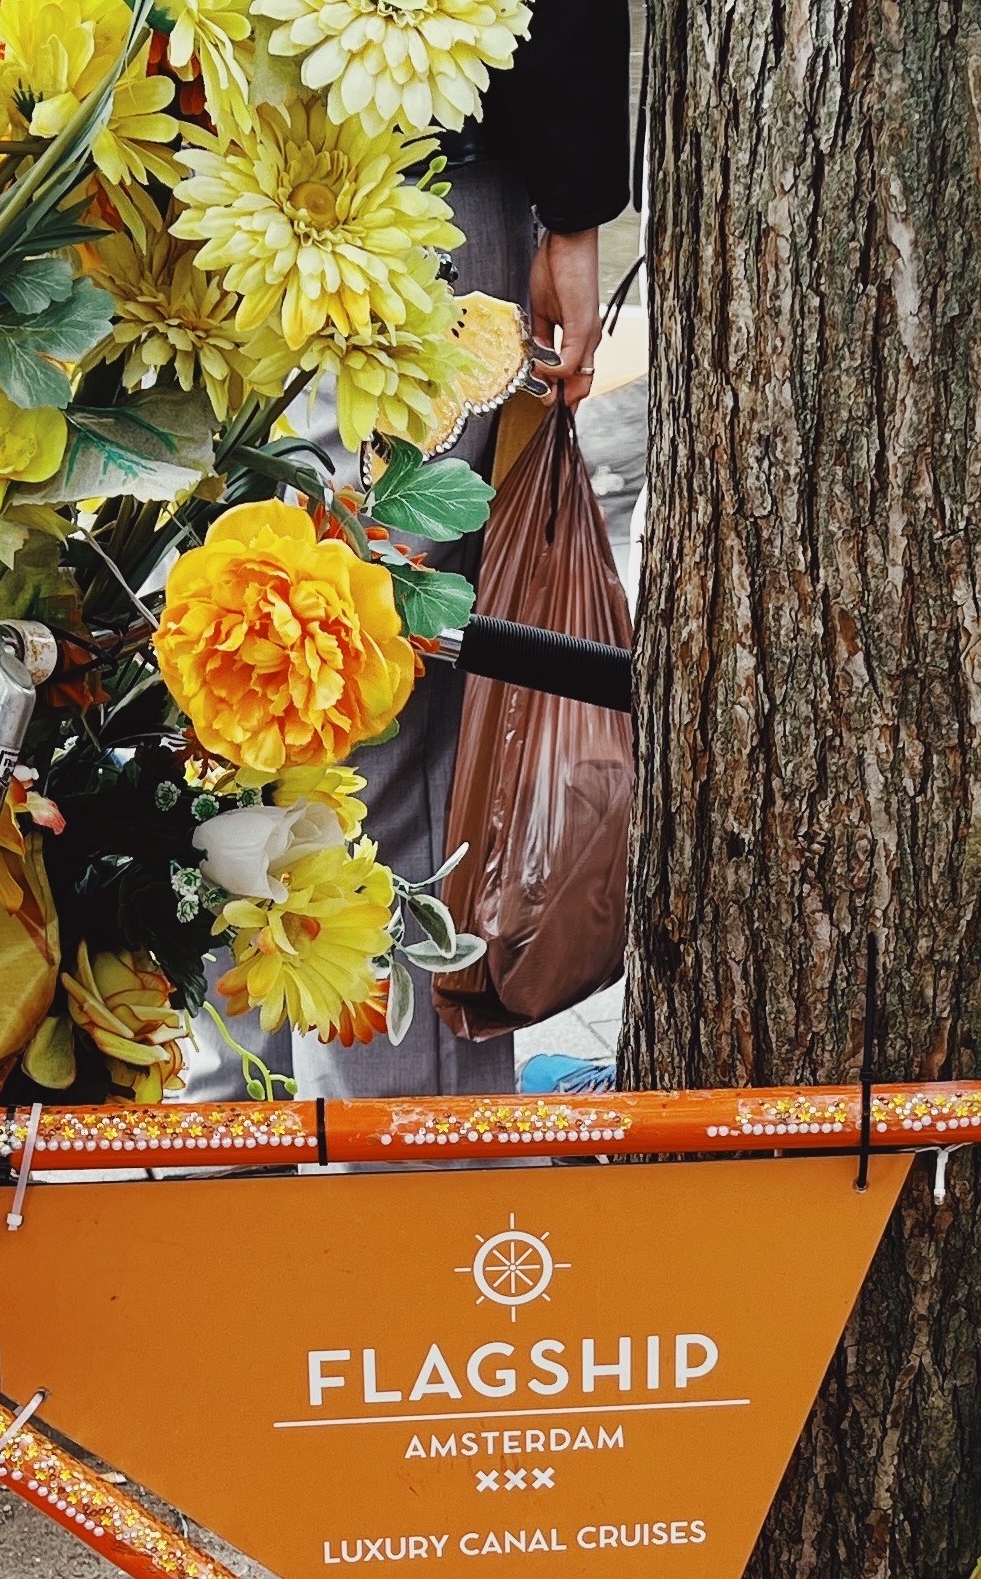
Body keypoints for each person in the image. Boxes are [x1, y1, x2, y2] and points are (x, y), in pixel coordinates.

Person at [295, 0, 625, 1102]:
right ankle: (400, 1169)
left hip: (184, 144)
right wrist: (569, 210)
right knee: (375, 675)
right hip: (405, 159)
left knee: (261, 666)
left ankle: (229, 1142)